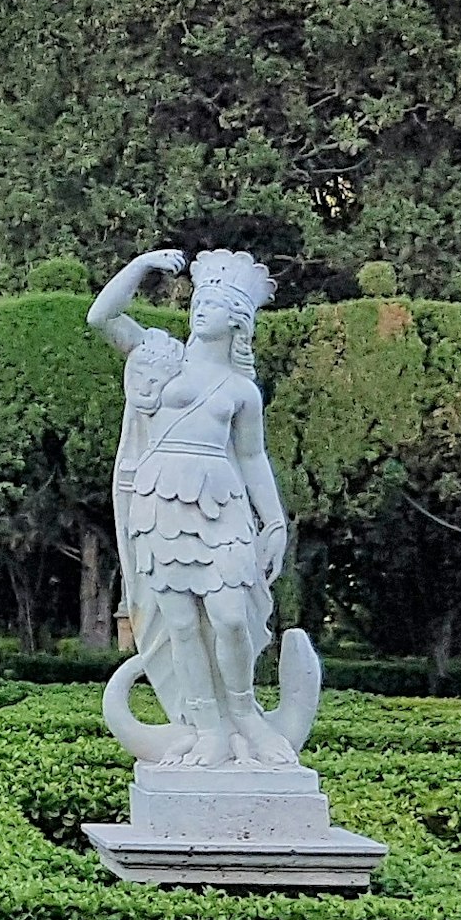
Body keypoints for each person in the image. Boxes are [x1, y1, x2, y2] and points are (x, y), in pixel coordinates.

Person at [89, 247, 297, 764]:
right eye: (199, 300)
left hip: (219, 503)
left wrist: (273, 520)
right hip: (160, 503)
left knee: (229, 617)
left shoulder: (242, 391)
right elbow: (101, 317)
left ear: (238, 320)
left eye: (214, 303)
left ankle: (244, 713)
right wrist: (138, 267)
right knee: (179, 623)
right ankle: (205, 726)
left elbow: (252, 457)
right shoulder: (161, 355)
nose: (200, 308)